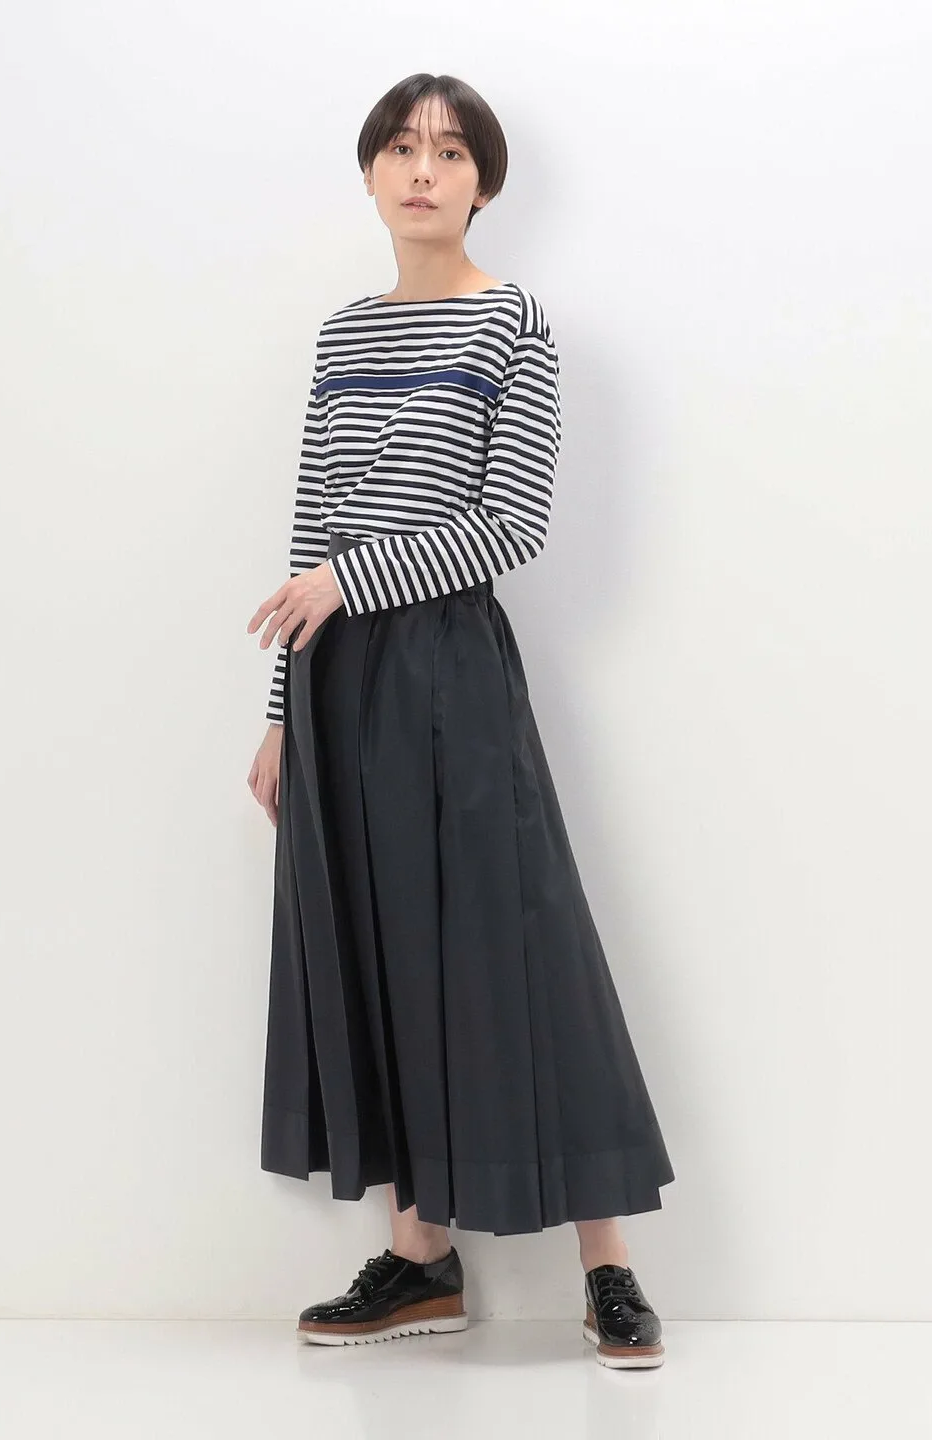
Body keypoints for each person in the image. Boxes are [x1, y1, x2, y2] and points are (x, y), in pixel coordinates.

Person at [246, 73, 675, 1370]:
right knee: (374, 948)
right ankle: (420, 1258)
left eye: (447, 150)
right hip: (334, 678)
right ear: (370, 174)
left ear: (484, 180)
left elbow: (511, 524)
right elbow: (313, 523)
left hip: (450, 667)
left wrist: (350, 583)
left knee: (517, 942)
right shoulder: (342, 335)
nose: (421, 169)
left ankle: (609, 1269)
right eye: (399, 147)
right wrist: (279, 714)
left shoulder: (512, 322)